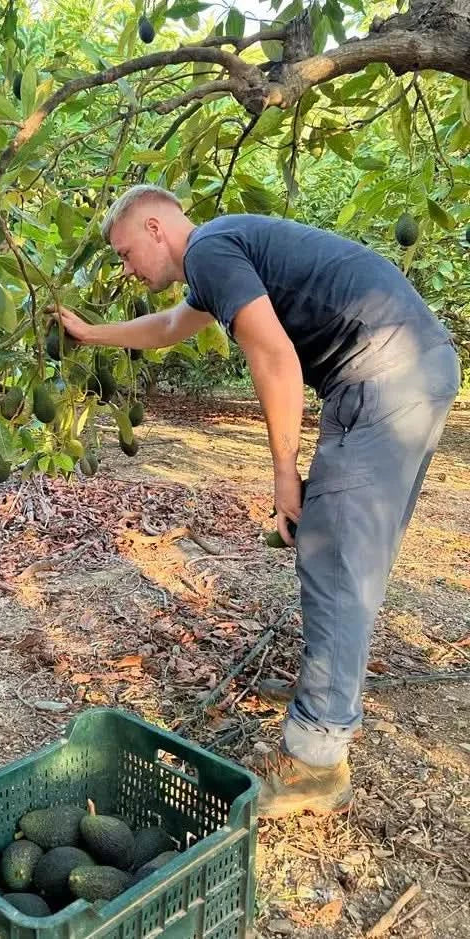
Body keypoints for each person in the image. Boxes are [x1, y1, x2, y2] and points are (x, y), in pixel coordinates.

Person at [53, 184, 461, 818]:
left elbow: (274, 356)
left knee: (335, 562)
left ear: (158, 228)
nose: (128, 269)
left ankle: (314, 761)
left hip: (382, 376)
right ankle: (326, 709)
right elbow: (166, 328)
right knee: (349, 560)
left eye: (128, 252)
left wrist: (282, 472)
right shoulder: (221, 252)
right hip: (416, 366)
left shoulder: (211, 251)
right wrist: (89, 333)